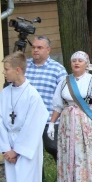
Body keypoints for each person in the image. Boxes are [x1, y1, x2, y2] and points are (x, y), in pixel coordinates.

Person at [0, 51, 49, 182]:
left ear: (18, 70)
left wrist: (17, 150)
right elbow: (0, 120)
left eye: (6, 69)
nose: (4, 72)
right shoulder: (4, 93)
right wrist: (4, 148)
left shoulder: (32, 95)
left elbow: (34, 124)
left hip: (26, 145)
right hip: (9, 145)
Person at [48, 51, 92, 182]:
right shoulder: (64, 81)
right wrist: (51, 124)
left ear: (86, 64)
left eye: (80, 60)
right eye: (74, 60)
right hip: (68, 124)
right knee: (72, 156)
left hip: (87, 124)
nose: (76, 63)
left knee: (86, 156)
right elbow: (58, 104)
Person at [25, 36, 67, 164]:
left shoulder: (58, 69)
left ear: (48, 50)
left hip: (49, 119)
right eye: (33, 47)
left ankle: (63, 177)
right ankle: (38, 181)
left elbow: (64, 95)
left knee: (53, 148)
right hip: (29, 119)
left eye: (39, 47)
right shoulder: (24, 66)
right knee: (30, 153)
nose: (35, 50)